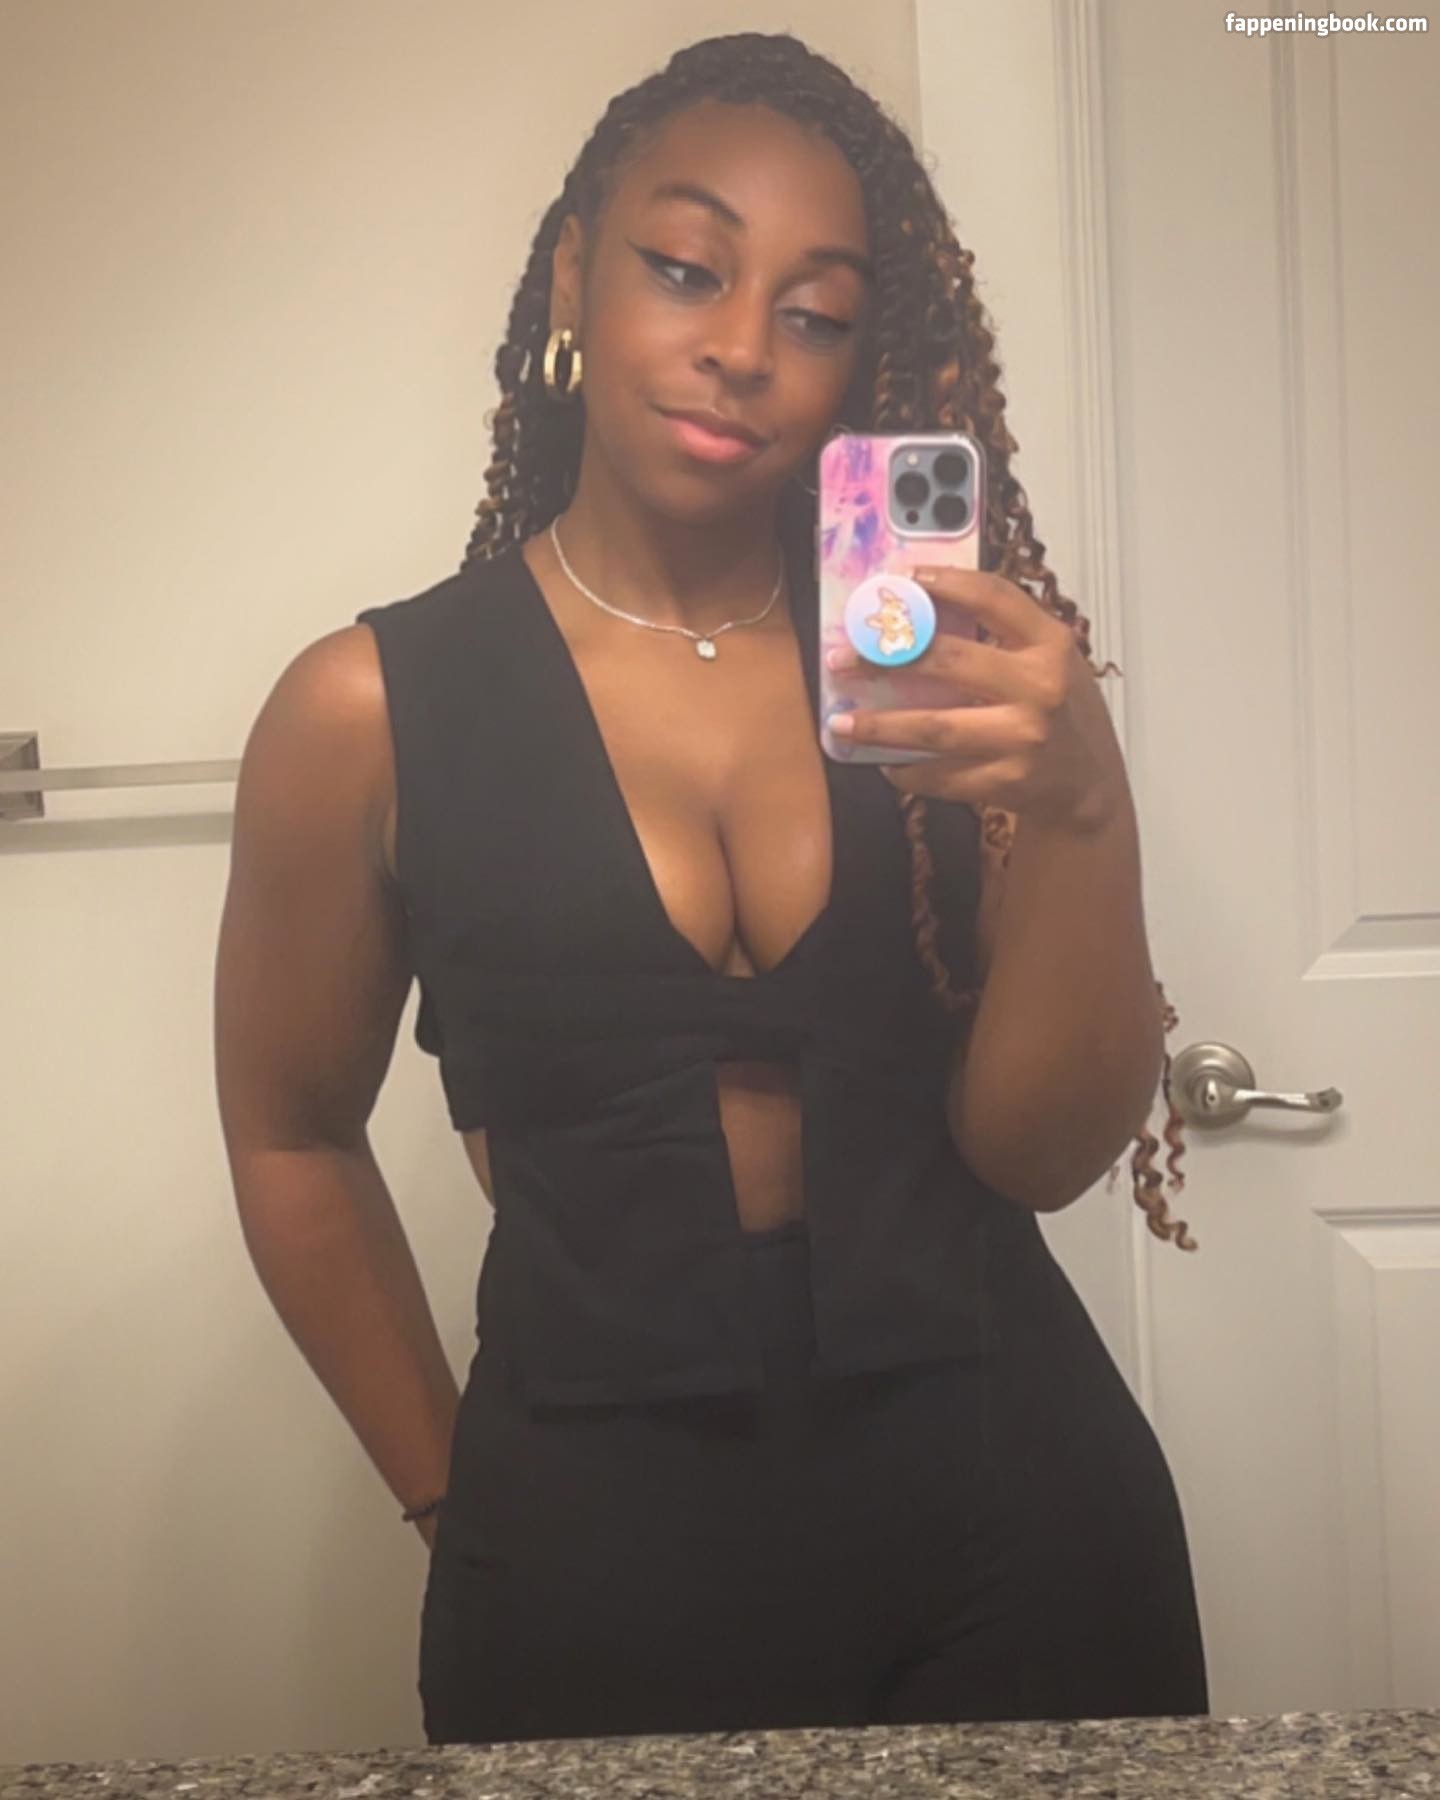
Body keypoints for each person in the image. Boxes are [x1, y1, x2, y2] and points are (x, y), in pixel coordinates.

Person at [215, 31, 1207, 1747]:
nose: (743, 347)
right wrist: (457, 1502)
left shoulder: (946, 674)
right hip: (594, 1547)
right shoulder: (368, 712)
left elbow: (1043, 1154)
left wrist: (1086, 810)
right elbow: (291, 1136)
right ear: (572, 276)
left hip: (1017, 1518)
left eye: (814, 314)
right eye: (687, 268)